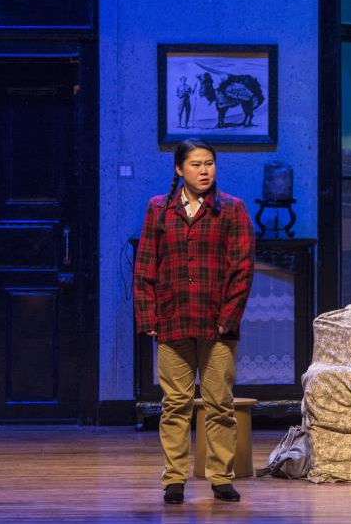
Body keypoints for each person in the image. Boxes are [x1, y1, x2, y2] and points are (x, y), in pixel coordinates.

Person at [134, 139, 255, 504]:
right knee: (175, 404)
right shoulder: (159, 208)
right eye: (196, 164)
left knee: (219, 403)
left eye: (209, 164)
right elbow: (145, 267)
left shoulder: (231, 209)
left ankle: (220, 477)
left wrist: (228, 317)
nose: (204, 171)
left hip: (217, 322)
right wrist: (148, 316)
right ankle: (174, 479)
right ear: (179, 169)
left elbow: (242, 269)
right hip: (173, 318)